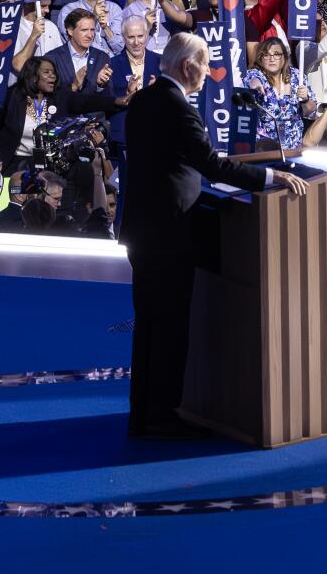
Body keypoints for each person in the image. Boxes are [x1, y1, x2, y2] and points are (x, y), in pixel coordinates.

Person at [119, 32, 306, 438]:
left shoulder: (142, 101)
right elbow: (211, 166)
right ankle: (163, 416)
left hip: (142, 230)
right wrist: (274, 175)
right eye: (204, 65)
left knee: (149, 324)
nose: (209, 72)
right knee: (169, 326)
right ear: (188, 66)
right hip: (170, 232)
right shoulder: (178, 108)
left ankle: (143, 412)